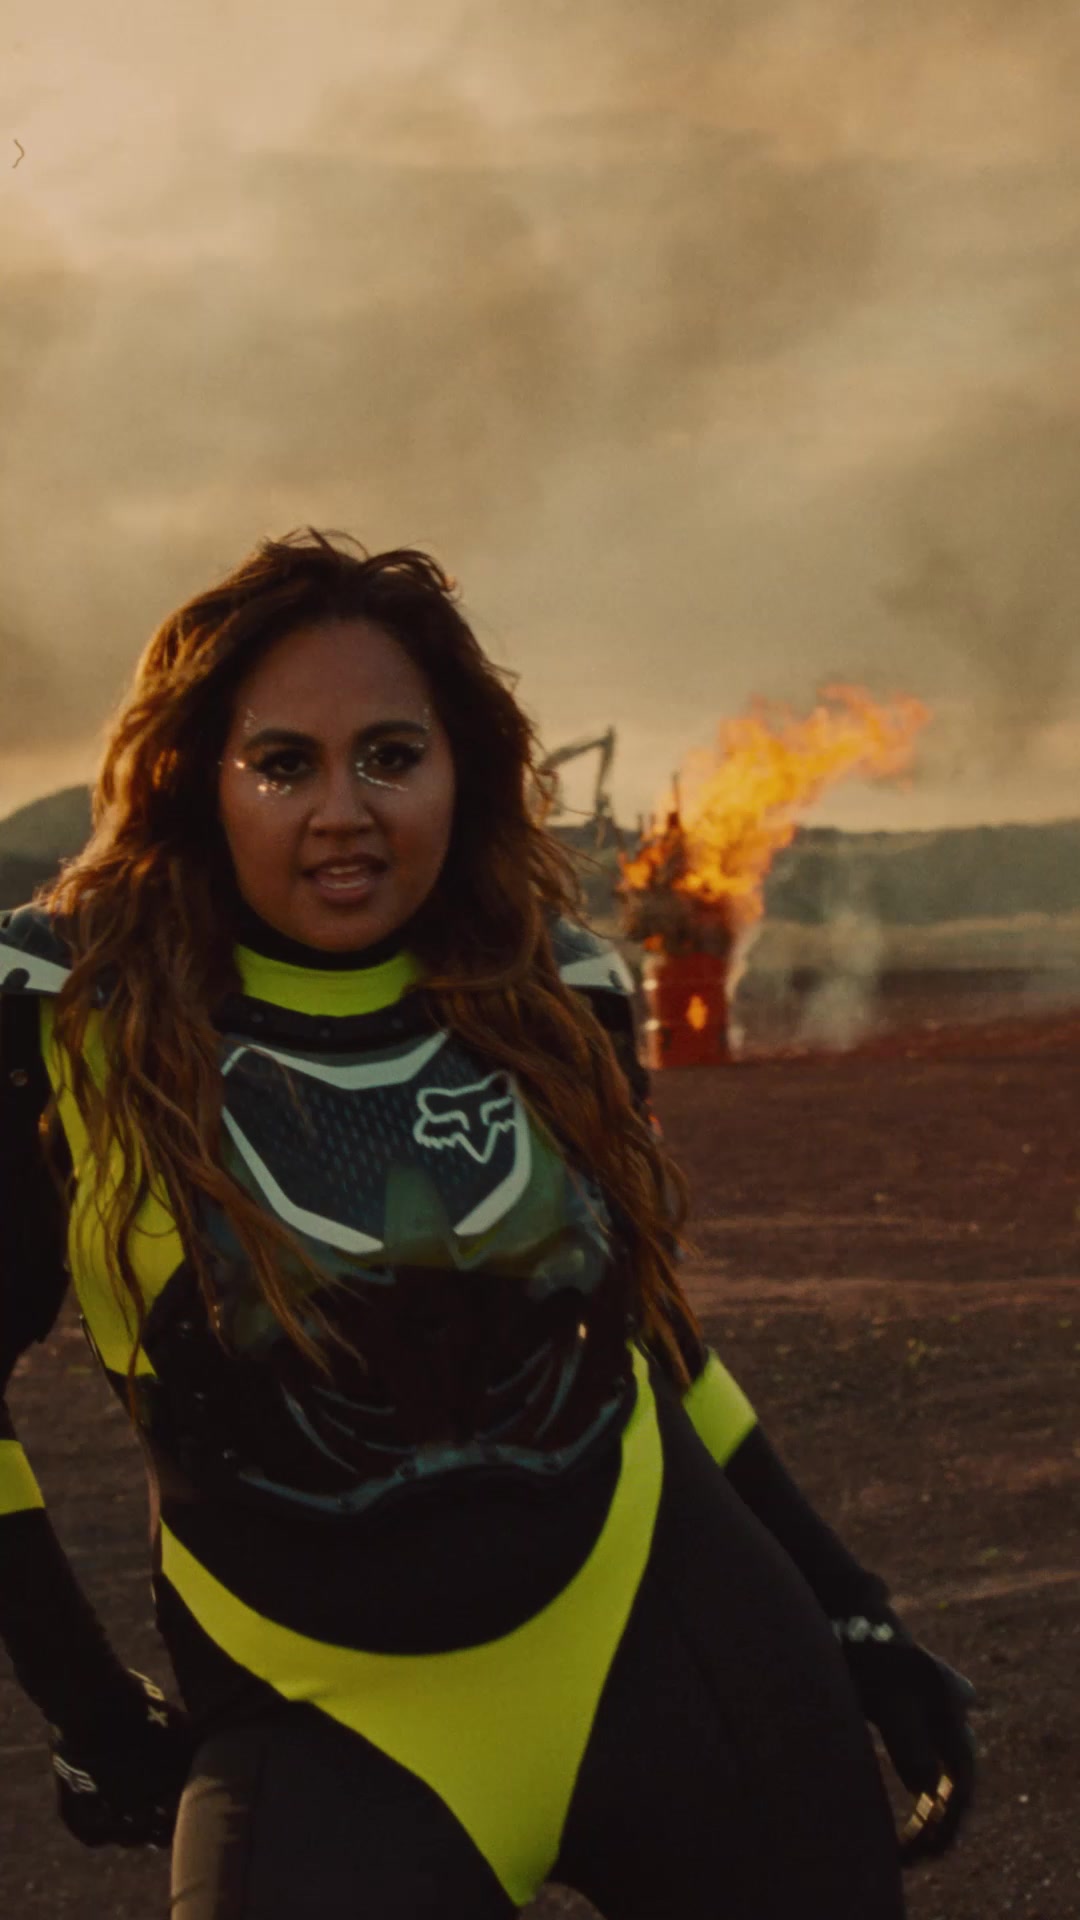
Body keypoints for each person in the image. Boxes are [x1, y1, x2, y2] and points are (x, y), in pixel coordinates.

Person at [0, 530, 974, 1919]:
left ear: (462, 767)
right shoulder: (62, 1021)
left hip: (679, 1647)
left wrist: (850, 1605)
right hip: (329, 1724)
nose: (343, 810)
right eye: (284, 764)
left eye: (392, 756)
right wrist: (86, 1703)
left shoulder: (558, 989)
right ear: (197, 777)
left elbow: (645, 1338)